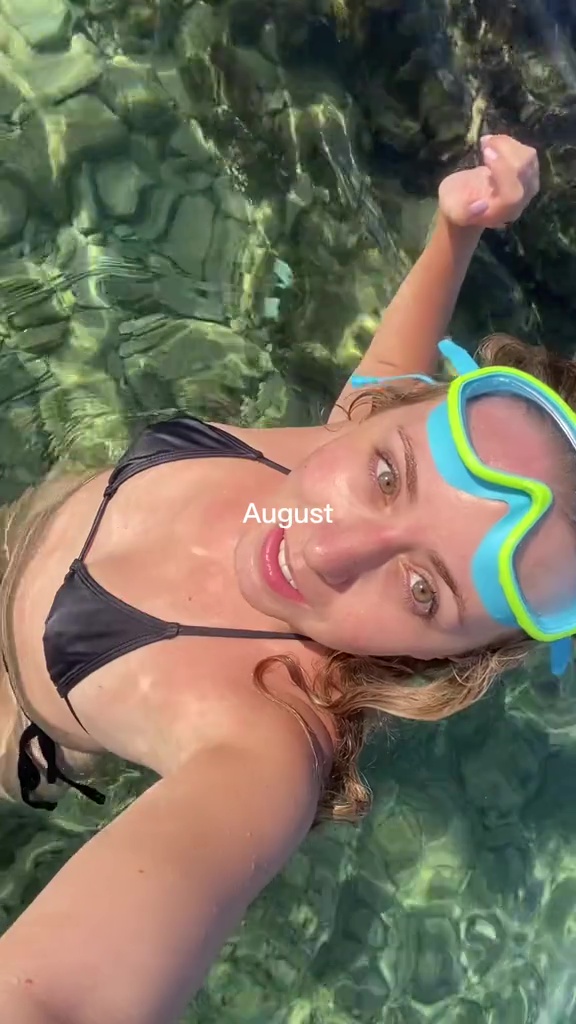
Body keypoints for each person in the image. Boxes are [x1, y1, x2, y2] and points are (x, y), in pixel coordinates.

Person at [0, 134, 563, 1024]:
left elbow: (57, 998)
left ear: (447, 662)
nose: (327, 552)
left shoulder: (266, 747)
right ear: (387, 416)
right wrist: (456, 232)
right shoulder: (337, 442)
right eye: (388, 476)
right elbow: (393, 369)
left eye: (424, 591)